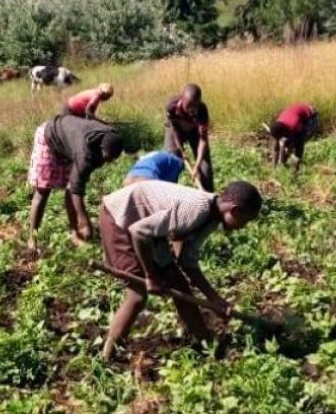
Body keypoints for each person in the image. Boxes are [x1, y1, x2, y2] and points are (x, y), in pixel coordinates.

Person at [99, 180, 262, 360]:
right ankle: (107, 356)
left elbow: (187, 261)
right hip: (120, 217)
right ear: (235, 211)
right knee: (137, 295)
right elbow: (138, 232)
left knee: (180, 285)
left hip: (147, 227)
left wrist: (214, 298)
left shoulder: (211, 219)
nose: (242, 228)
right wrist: (151, 276)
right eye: (244, 221)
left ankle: (208, 345)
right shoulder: (195, 210)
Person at [27, 114, 124, 250]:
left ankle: (74, 232)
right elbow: (76, 189)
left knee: (69, 188)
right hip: (49, 136)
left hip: (68, 141)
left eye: (113, 159)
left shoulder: (110, 136)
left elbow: (74, 187)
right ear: (101, 148)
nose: (108, 162)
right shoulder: (84, 153)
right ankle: (33, 237)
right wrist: (86, 223)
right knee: (42, 192)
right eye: (107, 157)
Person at [165, 84, 213, 191]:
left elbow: (203, 140)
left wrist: (197, 165)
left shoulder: (202, 110)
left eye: (195, 105)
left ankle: (208, 197)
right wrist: (181, 150)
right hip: (176, 130)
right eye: (189, 105)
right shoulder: (171, 106)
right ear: (182, 99)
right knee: (171, 158)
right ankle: (170, 192)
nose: (192, 109)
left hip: (194, 131)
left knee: (205, 167)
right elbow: (174, 130)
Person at [269, 103, 319, 173]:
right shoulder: (278, 125)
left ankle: (296, 169)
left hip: (311, 116)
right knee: (285, 144)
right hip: (295, 114)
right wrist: (274, 167)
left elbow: (300, 143)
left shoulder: (294, 125)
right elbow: (276, 147)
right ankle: (278, 166)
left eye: (279, 137)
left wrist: (295, 157)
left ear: (283, 132)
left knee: (297, 142)